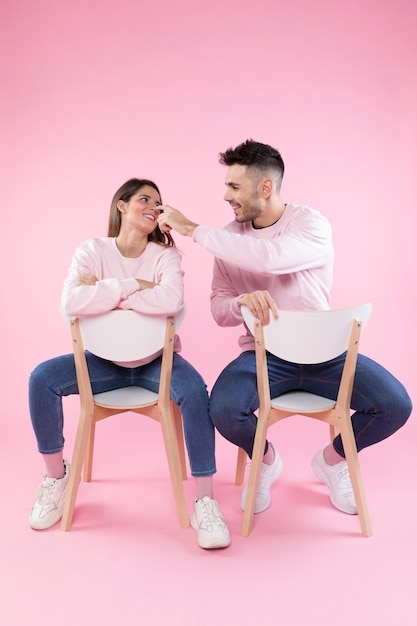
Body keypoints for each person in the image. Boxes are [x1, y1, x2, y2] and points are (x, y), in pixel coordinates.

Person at [157, 139, 412, 518]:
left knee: (394, 405)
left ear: (265, 187)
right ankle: (265, 459)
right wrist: (240, 303)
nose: (226, 196)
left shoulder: (310, 224)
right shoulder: (228, 238)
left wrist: (192, 228)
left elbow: (271, 258)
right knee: (225, 410)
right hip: (262, 356)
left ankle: (333, 461)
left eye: (234, 187)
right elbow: (218, 308)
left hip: (325, 355)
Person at [28, 178, 230, 550]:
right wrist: (135, 284)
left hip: (158, 362)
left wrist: (105, 293)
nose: (154, 206)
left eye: (159, 202)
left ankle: (205, 500)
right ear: (122, 206)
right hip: (103, 364)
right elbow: (72, 302)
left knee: (196, 393)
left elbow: (171, 301)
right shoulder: (92, 249)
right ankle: (56, 477)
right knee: (41, 378)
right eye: (144, 199)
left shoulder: (166, 256)